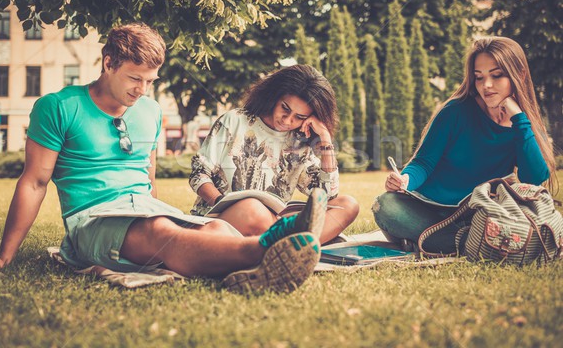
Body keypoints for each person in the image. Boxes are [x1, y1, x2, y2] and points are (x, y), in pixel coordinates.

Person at [0, 23, 325, 294]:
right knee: (160, 233)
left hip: (146, 211)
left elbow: (148, 179)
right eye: (134, 78)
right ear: (108, 63)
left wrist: (168, 214)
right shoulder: (58, 107)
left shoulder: (150, 111)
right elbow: (34, 182)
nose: (142, 89)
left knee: (211, 228)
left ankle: (256, 269)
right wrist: (4, 256)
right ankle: (265, 249)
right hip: (92, 219)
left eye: (150, 80)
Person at [373, 36, 556, 253]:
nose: (486, 85)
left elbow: (534, 179)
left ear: (520, 75)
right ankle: (473, 243)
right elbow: (423, 162)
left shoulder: (524, 123)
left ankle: (436, 241)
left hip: (476, 214)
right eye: (479, 77)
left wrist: (519, 120)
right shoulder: (455, 110)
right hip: (428, 208)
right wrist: (406, 180)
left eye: (496, 75)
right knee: (386, 206)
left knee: (516, 221)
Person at [189, 64, 360, 244]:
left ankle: (284, 245)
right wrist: (222, 202)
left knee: (347, 205)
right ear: (274, 96)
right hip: (220, 220)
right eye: (285, 108)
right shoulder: (235, 120)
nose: (287, 120)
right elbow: (199, 174)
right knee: (253, 209)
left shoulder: (300, 141)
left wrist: (325, 138)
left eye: (299, 117)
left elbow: (327, 196)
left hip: (271, 220)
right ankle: (294, 244)